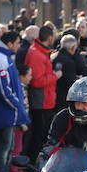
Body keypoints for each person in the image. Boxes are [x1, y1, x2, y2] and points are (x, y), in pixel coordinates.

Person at [0, 31, 30, 172]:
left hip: (11, 112)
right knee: (4, 147)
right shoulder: (0, 58)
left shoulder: (6, 57)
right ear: (10, 43)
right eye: (18, 43)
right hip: (5, 111)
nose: (19, 46)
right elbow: (3, 88)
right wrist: (16, 104)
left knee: (9, 146)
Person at [25, 26, 63, 161]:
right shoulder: (37, 54)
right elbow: (37, 81)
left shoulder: (40, 51)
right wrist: (55, 76)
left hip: (45, 100)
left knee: (41, 135)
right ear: (50, 38)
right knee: (39, 135)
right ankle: (32, 163)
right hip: (41, 102)